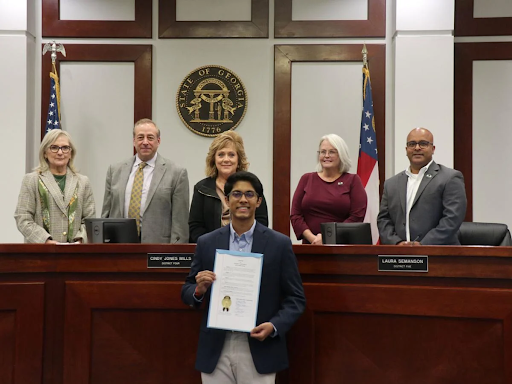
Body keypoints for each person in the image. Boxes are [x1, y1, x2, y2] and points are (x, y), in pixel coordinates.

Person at [182, 171, 306, 383]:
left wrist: (274, 326)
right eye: (236, 194)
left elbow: (296, 299)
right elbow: (187, 290)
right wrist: (198, 290)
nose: (242, 200)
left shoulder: (279, 244)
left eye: (249, 195)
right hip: (216, 347)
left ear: (258, 202)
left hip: (260, 345)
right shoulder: (207, 242)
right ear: (227, 200)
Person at [101, 118, 189, 243]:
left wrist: (176, 253)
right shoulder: (115, 170)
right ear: (134, 141)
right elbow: (106, 213)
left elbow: (180, 221)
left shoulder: (177, 173)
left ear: (158, 141)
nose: (145, 142)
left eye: (150, 138)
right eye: (140, 137)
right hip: (119, 246)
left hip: (158, 248)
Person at [377, 127, 467, 245]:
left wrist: (423, 245)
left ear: (433, 149)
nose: (417, 148)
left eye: (423, 143)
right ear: (406, 149)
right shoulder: (391, 184)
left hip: (439, 257)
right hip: (399, 258)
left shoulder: (450, 178)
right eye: (412, 144)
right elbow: (384, 220)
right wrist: (396, 243)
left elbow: (452, 219)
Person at [14, 129, 95, 243]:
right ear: (45, 153)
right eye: (54, 147)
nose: (60, 152)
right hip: (42, 254)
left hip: (75, 253)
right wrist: (45, 240)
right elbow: (23, 218)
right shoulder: (32, 180)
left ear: (71, 153)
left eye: (65, 148)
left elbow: (89, 220)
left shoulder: (83, 182)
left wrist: (81, 240)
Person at [188, 131, 268, 243]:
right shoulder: (202, 188)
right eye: (221, 154)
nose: (226, 159)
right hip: (211, 249)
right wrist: (211, 245)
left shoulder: (252, 185)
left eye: (231, 155)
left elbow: (261, 221)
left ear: (238, 159)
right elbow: (195, 226)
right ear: (214, 159)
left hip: (247, 247)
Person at [291, 134, 367, 244]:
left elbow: (357, 216)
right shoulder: (306, 179)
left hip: (341, 247)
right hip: (310, 246)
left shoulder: (353, 180)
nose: (326, 155)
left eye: (332, 152)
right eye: (323, 152)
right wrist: (313, 239)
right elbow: (295, 215)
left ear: (341, 155)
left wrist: (327, 238)